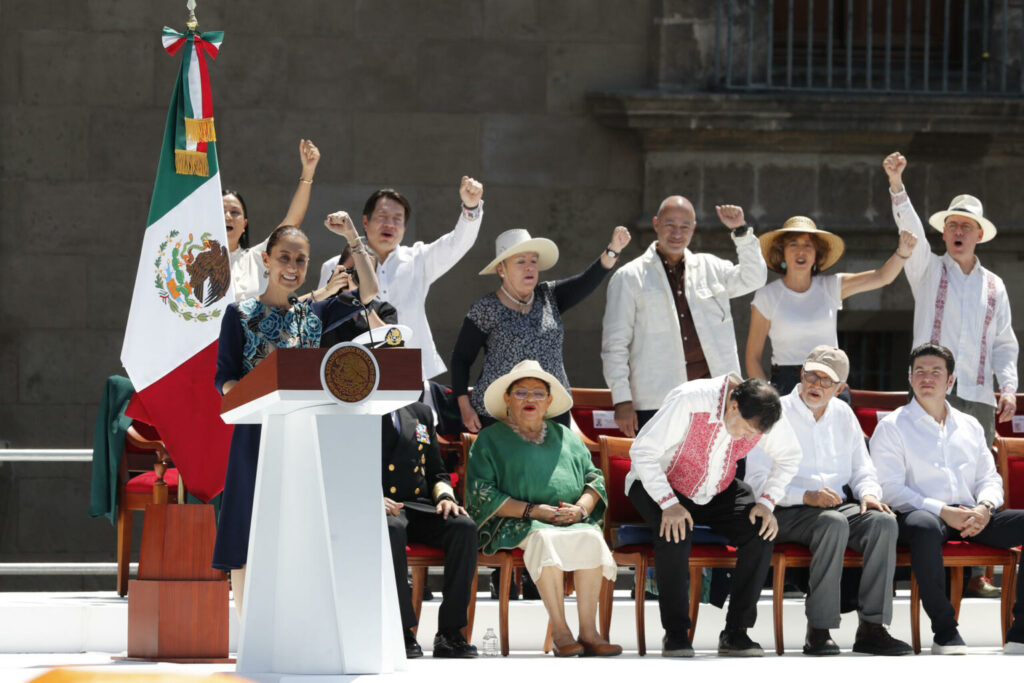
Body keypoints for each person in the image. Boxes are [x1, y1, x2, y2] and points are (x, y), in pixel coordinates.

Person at [212, 219, 368, 617]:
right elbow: (225, 379)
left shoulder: (312, 316)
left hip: (302, 437)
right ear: (266, 259)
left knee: (298, 531)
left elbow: (370, 291)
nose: (293, 267)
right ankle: (248, 625)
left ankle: (296, 622)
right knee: (248, 530)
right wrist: (257, 394)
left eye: (301, 260)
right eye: (284, 257)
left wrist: (353, 239)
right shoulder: (239, 314)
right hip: (254, 436)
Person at [744, 346, 912, 656]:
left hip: (833, 506)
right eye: (811, 375)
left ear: (840, 388)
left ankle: (872, 629)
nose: (815, 385)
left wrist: (869, 495)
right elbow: (756, 482)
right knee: (832, 523)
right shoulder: (774, 411)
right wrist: (805, 496)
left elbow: (863, 467)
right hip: (783, 509)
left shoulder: (844, 414)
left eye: (826, 381)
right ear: (801, 374)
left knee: (884, 523)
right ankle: (819, 630)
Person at [627, 375, 799, 657]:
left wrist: (767, 502)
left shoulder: (766, 412)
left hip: (717, 488)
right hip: (658, 483)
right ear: (733, 406)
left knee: (760, 531)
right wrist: (668, 503)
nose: (747, 439)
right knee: (676, 530)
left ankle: (736, 633)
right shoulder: (690, 399)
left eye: (754, 436)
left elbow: (790, 456)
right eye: (745, 431)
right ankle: (676, 634)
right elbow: (642, 452)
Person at [869, 343, 1024, 655]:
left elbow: (989, 479)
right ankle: (945, 631)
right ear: (910, 378)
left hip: (971, 515)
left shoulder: (969, 425)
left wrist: (985, 507)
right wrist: (942, 510)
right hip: (919, 515)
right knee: (925, 526)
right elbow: (889, 489)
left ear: (950, 380)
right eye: (920, 371)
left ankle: (1020, 632)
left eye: (936, 372)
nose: (927, 378)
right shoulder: (892, 426)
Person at [466, 360, 622, 657]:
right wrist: (534, 511)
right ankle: (561, 634)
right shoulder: (489, 439)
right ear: (507, 399)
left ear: (549, 401)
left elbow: (595, 480)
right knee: (545, 539)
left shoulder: (567, 436)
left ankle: (589, 633)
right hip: (514, 523)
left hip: (569, 519)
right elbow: (481, 493)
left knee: (590, 537)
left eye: (538, 393)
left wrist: (580, 510)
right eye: (521, 392)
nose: (530, 399)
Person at [882, 152, 1018, 447]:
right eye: (953, 225)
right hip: (931, 390)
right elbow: (912, 231)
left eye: (966, 226)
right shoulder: (928, 269)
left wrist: (1008, 388)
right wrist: (897, 184)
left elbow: (1004, 344)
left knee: (975, 472)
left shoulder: (995, 285)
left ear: (979, 235)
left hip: (979, 397)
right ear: (943, 233)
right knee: (926, 467)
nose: (958, 231)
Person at [602, 198, 767, 438]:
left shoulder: (711, 267)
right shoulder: (629, 277)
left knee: (724, 473)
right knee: (660, 472)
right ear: (656, 224)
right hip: (658, 400)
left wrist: (740, 231)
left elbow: (755, 278)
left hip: (717, 398)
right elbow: (615, 345)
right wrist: (622, 400)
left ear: (694, 227)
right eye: (670, 224)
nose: (677, 233)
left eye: (684, 226)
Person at [451, 226, 631, 432]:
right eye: (520, 261)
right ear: (501, 269)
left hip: (551, 411)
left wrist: (613, 250)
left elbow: (586, 281)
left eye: (533, 261)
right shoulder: (485, 308)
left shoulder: (549, 296)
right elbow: (461, 359)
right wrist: (465, 407)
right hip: (501, 414)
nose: (529, 268)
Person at [319, 177, 485, 383]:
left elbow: (456, 244)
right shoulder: (336, 266)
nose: (390, 223)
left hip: (410, 372)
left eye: (398, 218)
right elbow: (320, 324)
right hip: (351, 375)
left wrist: (471, 207)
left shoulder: (418, 259)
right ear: (365, 221)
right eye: (382, 216)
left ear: (405, 228)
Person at [746, 217, 917, 395]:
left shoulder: (831, 286)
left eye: (808, 245)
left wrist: (902, 253)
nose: (801, 251)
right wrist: (766, 396)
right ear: (782, 252)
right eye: (793, 244)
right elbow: (752, 357)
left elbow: (882, 277)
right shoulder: (767, 296)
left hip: (830, 379)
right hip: (786, 384)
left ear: (816, 254)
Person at [382, 401, 478, 659]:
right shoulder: (358, 410)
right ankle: (400, 630)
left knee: (464, 527)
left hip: (418, 504)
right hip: (382, 505)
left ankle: (450, 632)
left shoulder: (420, 412)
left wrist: (446, 498)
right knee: (391, 530)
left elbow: (437, 470)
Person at [224, 139, 367, 303]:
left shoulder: (258, 257)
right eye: (221, 212)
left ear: (245, 224)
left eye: (234, 212)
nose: (227, 216)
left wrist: (308, 172)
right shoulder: (191, 259)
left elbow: (291, 224)